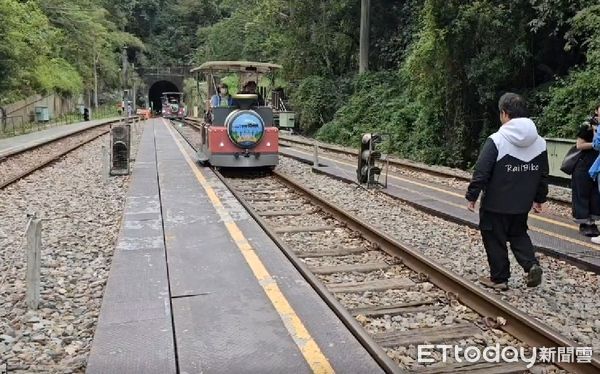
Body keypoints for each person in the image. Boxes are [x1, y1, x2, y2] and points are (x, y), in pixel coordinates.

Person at [465, 93, 547, 290]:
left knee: (494, 237)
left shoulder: (497, 140)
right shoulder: (540, 142)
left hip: (495, 203)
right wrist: (539, 198)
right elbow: (543, 174)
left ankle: (499, 278)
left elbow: (482, 170)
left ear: (504, 114)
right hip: (522, 204)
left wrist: (472, 195)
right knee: (518, 233)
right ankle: (531, 264)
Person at [571, 104, 600, 236]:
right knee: (582, 193)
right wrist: (595, 145)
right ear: (596, 110)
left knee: (595, 194)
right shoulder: (587, 125)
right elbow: (579, 145)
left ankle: (592, 222)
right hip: (584, 164)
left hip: (597, 165)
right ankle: (584, 223)